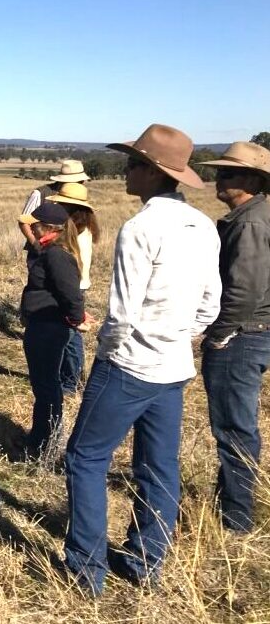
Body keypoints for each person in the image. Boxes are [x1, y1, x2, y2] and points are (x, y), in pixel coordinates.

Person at [64, 124, 220, 596]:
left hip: (129, 365)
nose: (126, 171)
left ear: (153, 173)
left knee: (85, 458)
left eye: (133, 164)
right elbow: (210, 304)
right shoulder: (205, 226)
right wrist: (179, 337)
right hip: (174, 368)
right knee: (158, 466)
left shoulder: (140, 228)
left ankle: (86, 569)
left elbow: (122, 312)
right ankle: (146, 560)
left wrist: (110, 352)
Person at [195, 141, 270, 532]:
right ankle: (232, 502)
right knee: (236, 425)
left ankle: (236, 516)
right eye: (219, 171)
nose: (218, 179)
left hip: (242, 336)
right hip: (253, 332)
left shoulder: (251, 222)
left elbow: (243, 289)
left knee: (234, 427)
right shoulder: (252, 215)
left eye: (228, 173)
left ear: (254, 180)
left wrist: (218, 335)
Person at [17, 201, 86, 460]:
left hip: (48, 327)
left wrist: (76, 318)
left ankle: (44, 443)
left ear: (47, 228)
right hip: (42, 323)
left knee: (46, 385)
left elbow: (71, 294)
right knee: (43, 384)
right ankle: (41, 437)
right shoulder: (50, 251)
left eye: (34, 225)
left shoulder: (56, 254)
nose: (30, 229)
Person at [54, 183, 100, 395]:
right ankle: (69, 379)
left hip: (72, 286)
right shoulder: (85, 227)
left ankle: (70, 384)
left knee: (71, 337)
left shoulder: (75, 230)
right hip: (76, 285)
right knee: (70, 334)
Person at [18, 160, 88, 261]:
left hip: (69, 252)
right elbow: (23, 221)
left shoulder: (78, 195)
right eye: (78, 181)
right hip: (41, 253)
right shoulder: (40, 193)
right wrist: (35, 244)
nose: (81, 183)